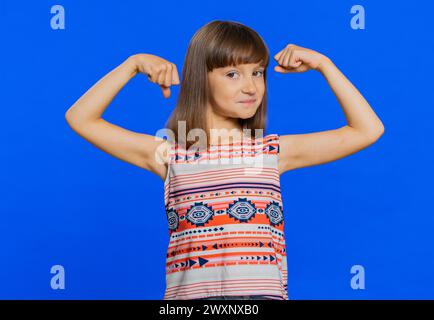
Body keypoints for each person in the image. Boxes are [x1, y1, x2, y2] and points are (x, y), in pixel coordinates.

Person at [65, 20, 384, 300]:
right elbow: (81, 118)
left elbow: (367, 130)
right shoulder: (170, 154)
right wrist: (132, 65)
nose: (250, 86)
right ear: (199, 78)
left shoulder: (270, 152)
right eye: (232, 73)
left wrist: (325, 64)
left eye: (257, 72)